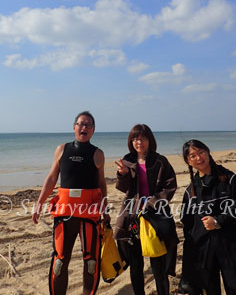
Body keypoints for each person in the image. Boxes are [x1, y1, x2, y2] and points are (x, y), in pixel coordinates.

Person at [32, 111, 110, 295]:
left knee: (91, 262)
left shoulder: (98, 154)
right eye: (81, 124)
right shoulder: (62, 149)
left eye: (88, 125)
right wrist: (39, 202)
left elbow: (101, 184)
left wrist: (105, 210)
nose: (84, 128)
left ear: (93, 130)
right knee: (59, 260)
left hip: (89, 214)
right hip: (64, 213)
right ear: (74, 127)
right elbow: (52, 178)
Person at [179, 139, 236, 295]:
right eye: (193, 156)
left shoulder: (229, 178)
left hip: (233, 243)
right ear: (188, 161)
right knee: (209, 287)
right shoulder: (191, 191)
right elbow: (188, 223)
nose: (198, 158)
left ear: (208, 152)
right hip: (206, 249)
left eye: (201, 152)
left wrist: (217, 221)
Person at [114, 124, 178, 295]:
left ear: (150, 140)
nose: (138, 142)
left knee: (159, 265)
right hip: (132, 217)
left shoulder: (160, 161)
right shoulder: (127, 161)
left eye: (142, 138)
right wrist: (123, 174)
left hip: (154, 217)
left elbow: (170, 186)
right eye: (134, 138)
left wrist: (151, 202)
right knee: (136, 265)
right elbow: (123, 188)